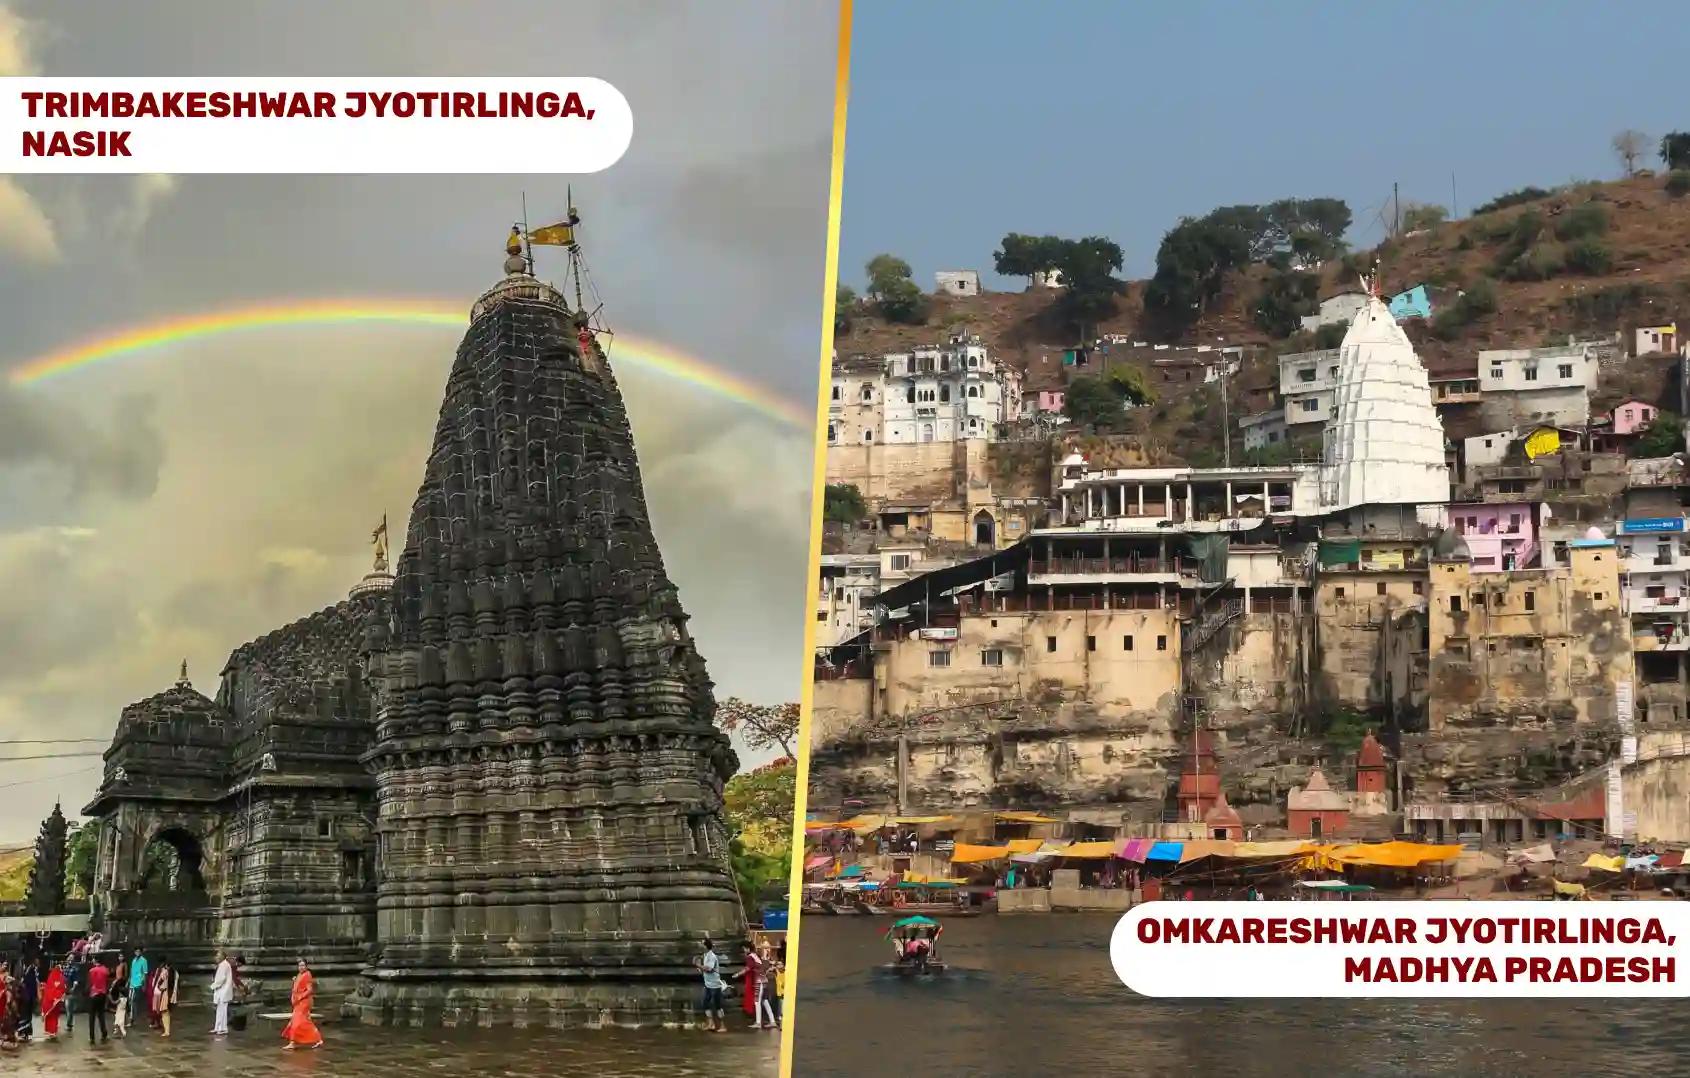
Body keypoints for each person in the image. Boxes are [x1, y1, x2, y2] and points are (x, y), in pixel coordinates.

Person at [281, 957, 322, 1050]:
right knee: (301, 1022)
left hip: (304, 1002)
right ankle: (317, 1039)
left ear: (306, 966)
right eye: (300, 965)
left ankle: (293, 1042)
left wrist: (300, 997)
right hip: (298, 1002)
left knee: (297, 1022)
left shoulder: (307, 975)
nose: (301, 967)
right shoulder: (299, 975)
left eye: (303, 965)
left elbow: (309, 990)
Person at [694, 938, 725, 1033]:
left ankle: (722, 1025)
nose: (700, 946)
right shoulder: (705, 955)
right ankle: (711, 1023)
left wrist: (699, 965)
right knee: (705, 1003)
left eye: (702, 944)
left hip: (715, 985)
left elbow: (709, 969)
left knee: (717, 1005)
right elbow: (705, 969)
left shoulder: (712, 956)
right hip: (708, 984)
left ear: (706, 946)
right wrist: (700, 968)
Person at [754, 943, 780, 1030]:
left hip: (762, 982)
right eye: (764, 948)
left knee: (758, 1001)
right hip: (765, 982)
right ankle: (772, 1021)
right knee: (765, 1001)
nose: (765, 949)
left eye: (766, 948)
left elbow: (763, 970)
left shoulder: (765, 960)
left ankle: (758, 1022)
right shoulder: (767, 960)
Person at [210, 949, 234, 1036]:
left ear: (222, 957)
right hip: (221, 991)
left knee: (222, 1010)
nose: (216, 957)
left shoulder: (224, 965)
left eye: (217, 956)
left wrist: (213, 986)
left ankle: (223, 1028)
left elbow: (221, 979)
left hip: (223, 990)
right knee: (219, 1010)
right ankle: (218, 1027)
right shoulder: (222, 965)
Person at [85, 957, 109, 1045]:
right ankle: (104, 1033)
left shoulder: (92, 971)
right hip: (103, 994)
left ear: (96, 961)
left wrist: (86, 992)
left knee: (92, 1016)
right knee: (101, 1014)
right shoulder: (105, 970)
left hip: (94, 994)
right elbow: (107, 982)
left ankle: (92, 1037)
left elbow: (89, 983)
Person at [41, 960, 66, 1038]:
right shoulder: (61, 977)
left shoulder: (51, 976)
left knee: (50, 1016)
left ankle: (49, 1031)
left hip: (50, 1000)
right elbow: (63, 988)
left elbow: (48, 987)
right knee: (54, 1016)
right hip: (57, 1001)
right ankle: (53, 1031)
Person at [15, 958, 38, 1042]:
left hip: (28, 998)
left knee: (26, 1016)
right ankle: (25, 1033)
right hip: (26, 998)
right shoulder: (28, 973)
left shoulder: (30, 974)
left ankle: (26, 1033)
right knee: (25, 1016)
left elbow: (32, 987)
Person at [126, 948, 149, 1032]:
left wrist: (144, 985)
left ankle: (132, 1019)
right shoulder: (134, 960)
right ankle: (133, 1018)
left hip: (139, 983)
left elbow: (145, 973)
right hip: (132, 983)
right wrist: (128, 981)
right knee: (131, 1001)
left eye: (139, 951)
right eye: (136, 951)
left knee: (133, 1001)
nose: (137, 952)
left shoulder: (144, 961)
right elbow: (131, 972)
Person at [152, 959, 176, 1037]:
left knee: (165, 1012)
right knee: (166, 1012)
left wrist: (159, 988)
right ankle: (166, 1030)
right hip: (171, 993)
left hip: (166, 993)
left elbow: (160, 982)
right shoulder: (175, 973)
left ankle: (167, 1031)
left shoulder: (165, 972)